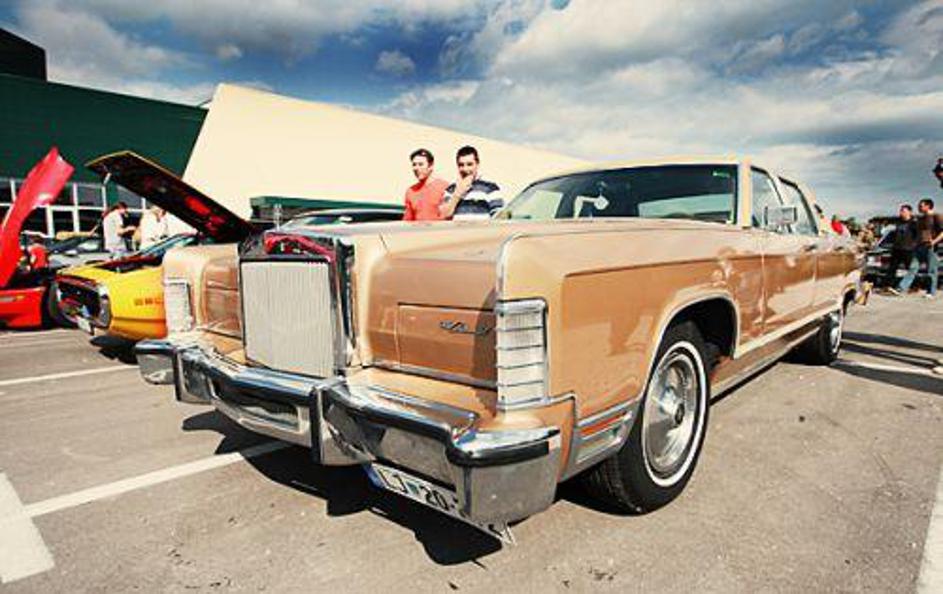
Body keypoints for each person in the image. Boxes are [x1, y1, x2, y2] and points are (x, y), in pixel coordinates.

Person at [892, 198, 942, 298]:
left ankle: (931, 292)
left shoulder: (937, 216)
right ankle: (901, 288)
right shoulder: (920, 219)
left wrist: (934, 241)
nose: (919, 208)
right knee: (913, 268)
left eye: (921, 206)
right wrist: (915, 244)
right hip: (919, 247)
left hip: (930, 247)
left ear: (928, 206)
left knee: (931, 270)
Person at [439, 145, 504, 220]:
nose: (465, 169)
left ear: (477, 164)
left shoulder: (490, 188)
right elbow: (444, 215)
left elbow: (499, 218)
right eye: (461, 165)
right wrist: (457, 193)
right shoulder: (450, 190)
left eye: (469, 164)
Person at [402, 148, 449, 222]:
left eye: (421, 164)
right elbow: (407, 221)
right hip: (417, 229)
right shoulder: (410, 191)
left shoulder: (444, 187)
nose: (416, 168)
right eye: (414, 165)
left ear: (431, 166)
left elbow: (448, 216)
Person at [884, 204, 917, 288]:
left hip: (908, 249)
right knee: (892, 269)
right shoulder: (898, 222)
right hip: (897, 249)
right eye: (901, 211)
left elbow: (917, 237)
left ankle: (912, 286)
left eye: (903, 211)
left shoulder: (914, 223)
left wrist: (914, 246)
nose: (901, 213)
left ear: (909, 212)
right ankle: (889, 286)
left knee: (910, 269)